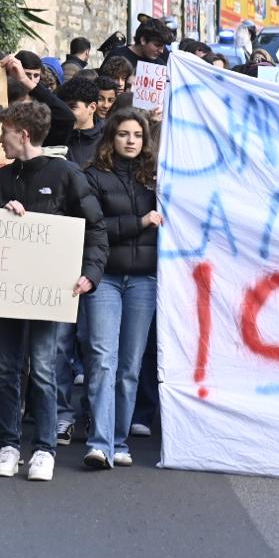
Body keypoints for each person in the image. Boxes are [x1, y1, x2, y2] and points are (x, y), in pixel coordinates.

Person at [0, 100, 108, 482]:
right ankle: (7, 444)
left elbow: (94, 228)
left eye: (4, 132)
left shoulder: (66, 174)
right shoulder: (0, 179)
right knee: (6, 369)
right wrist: (1, 212)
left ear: (22, 135)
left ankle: (43, 449)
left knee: (42, 368)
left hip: (49, 291)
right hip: (7, 292)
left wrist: (91, 274)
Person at [80, 108, 161, 469]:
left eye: (138, 135)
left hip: (144, 280)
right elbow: (93, 226)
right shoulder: (94, 177)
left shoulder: (156, 179)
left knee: (129, 366)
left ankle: (119, 440)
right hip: (105, 279)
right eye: (124, 134)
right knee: (102, 361)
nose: (131, 141)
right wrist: (140, 222)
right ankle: (99, 443)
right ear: (111, 137)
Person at [58, 77, 104, 169]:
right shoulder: (56, 137)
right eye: (63, 106)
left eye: (72, 107)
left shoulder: (108, 139)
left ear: (92, 108)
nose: (66, 112)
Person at [104, 18, 171, 73]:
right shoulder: (117, 56)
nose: (161, 51)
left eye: (163, 46)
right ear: (143, 40)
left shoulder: (159, 65)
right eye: (157, 45)